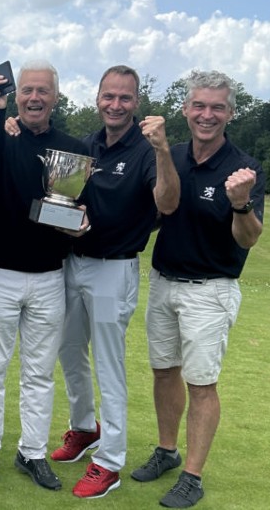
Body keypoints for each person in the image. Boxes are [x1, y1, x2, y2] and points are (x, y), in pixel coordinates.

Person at [46, 65, 180, 499]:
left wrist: (162, 152)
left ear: (136, 102)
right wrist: (66, 220)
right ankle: (85, 428)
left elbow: (167, 202)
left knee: (108, 362)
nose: (115, 105)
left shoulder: (147, 150)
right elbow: (63, 201)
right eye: (109, 96)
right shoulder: (86, 146)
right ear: (98, 98)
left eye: (124, 98)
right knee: (68, 349)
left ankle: (110, 462)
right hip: (74, 263)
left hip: (112, 269)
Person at [133, 69, 263, 508]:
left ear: (230, 112)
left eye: (217, 107)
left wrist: (240, 202)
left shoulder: (243, 168)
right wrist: (163, 152)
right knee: (164, 371)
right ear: (187, 109)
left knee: (201, 384)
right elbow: (162, 206)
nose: (207, 114)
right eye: (200, 105)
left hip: (210, 290)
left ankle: (192, 475)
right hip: (164, 281)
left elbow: (248, 238)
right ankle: (167, 452)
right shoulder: (174, 153)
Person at [0, 60, 86, 492]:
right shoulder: (3, 132)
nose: (34, 98)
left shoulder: (70, 148)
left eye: (43, 91)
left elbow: (71, 210)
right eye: (28, 91)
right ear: (18, 95)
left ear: (55, 96)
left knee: (39, 372)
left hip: (50, 274)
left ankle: (32, 452)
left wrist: (79, 221)